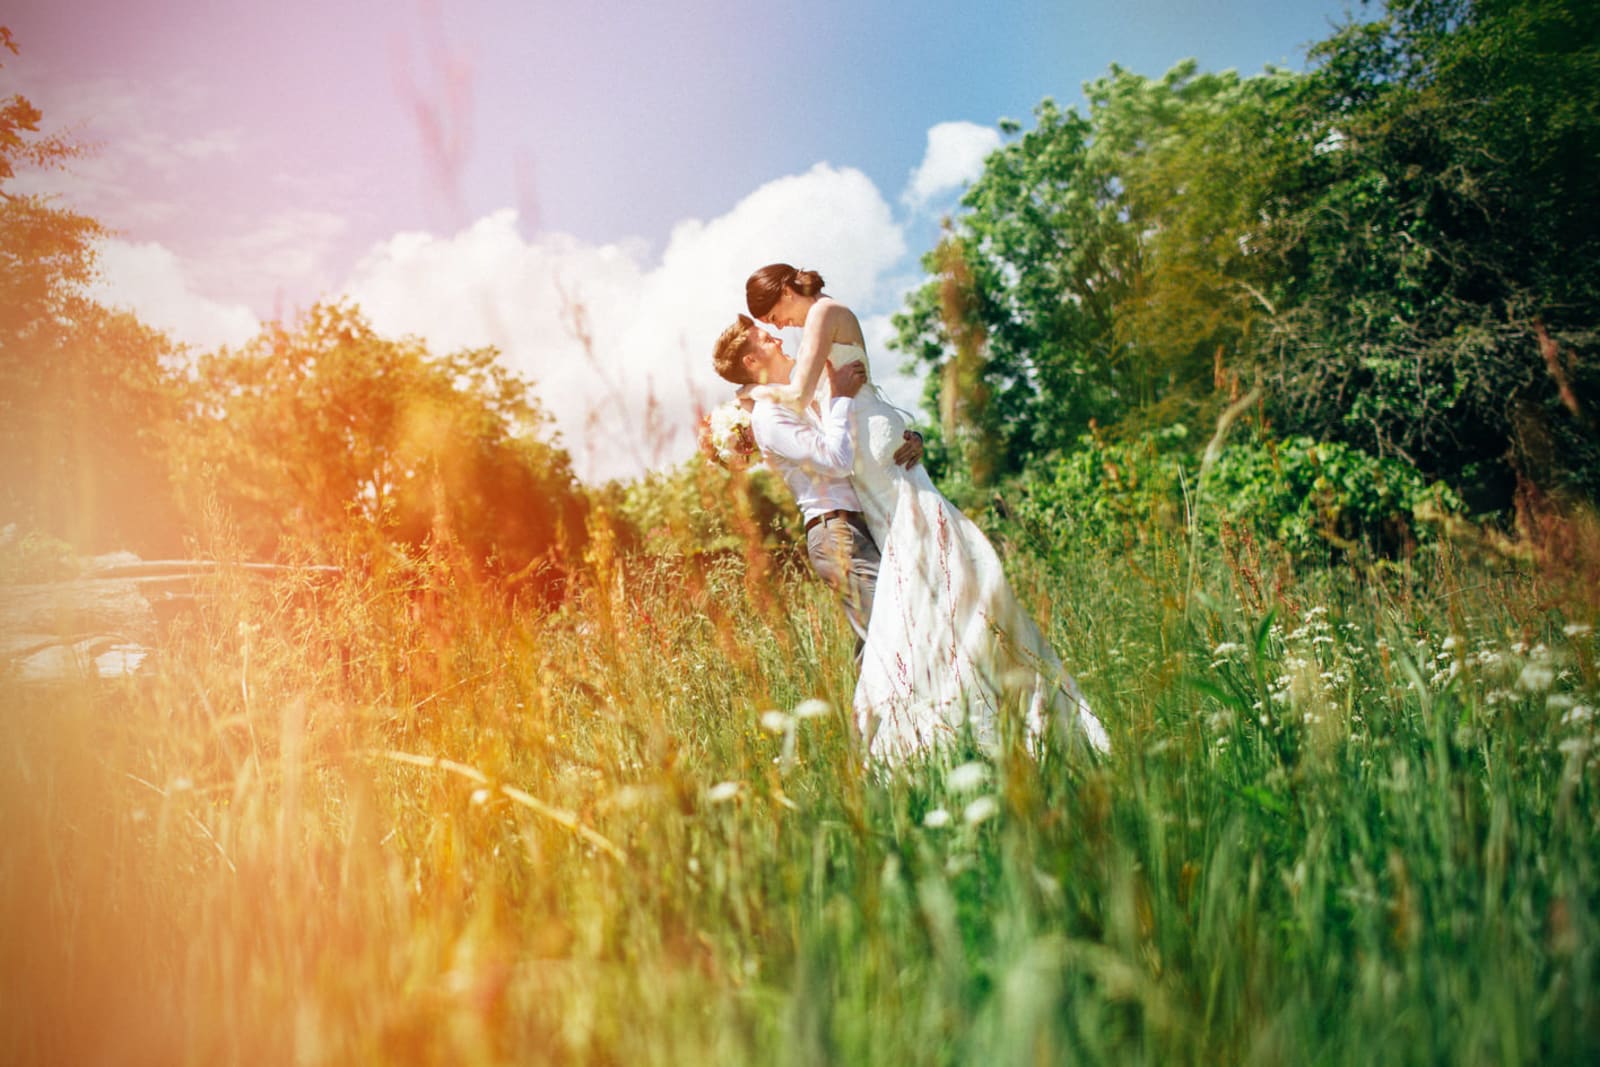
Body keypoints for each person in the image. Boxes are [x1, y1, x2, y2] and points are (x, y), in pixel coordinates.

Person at [741, 263, 1110, 760]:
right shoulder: (818, 322)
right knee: (920, 579)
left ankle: (955, 713)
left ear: (787, 289)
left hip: (874, 454)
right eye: (767, 320)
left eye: (773, 311)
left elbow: (803, 393)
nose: (778, 324)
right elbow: (816, 410)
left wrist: (753, 395)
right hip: (869, 458)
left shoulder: (824, 312)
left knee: (927, 570)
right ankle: (962, 704)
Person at [710, 314, 921, 659]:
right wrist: (840, 396)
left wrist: (908, 439)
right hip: (837, 533)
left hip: (864, 522)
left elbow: (858, 442)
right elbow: (836, 461)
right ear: (751, 361)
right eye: (765, 339)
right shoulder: (769, 417)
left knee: (892, 631)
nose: (777, 340)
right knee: (892, 631)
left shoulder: (798, 401)